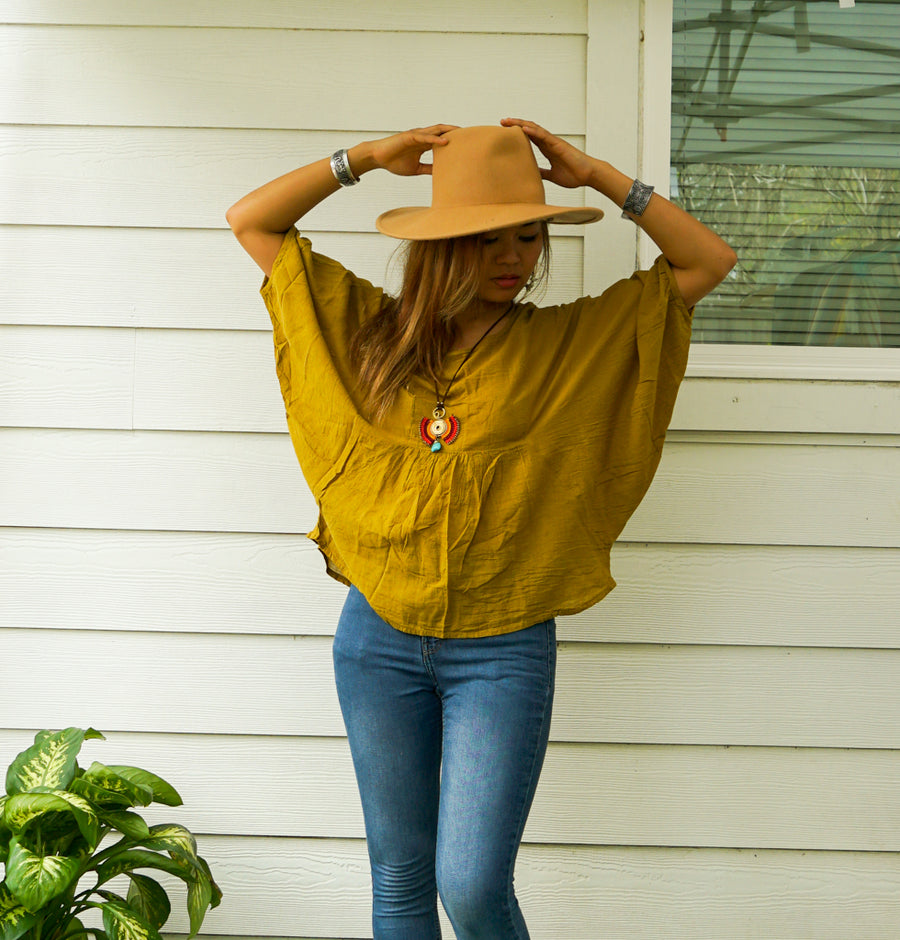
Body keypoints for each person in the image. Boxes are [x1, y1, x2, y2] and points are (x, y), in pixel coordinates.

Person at [226, 120, 736, 940]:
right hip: (377, 635)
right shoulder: (367, 331)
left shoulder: (571, 341)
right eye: (487, 237)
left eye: (529, 235)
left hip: (502, 646)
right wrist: (360, 160)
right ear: (440, 244)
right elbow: (252, 220)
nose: (513, 256)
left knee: (469, 885)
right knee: (397, 879)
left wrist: (600, 176)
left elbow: (707, 261)